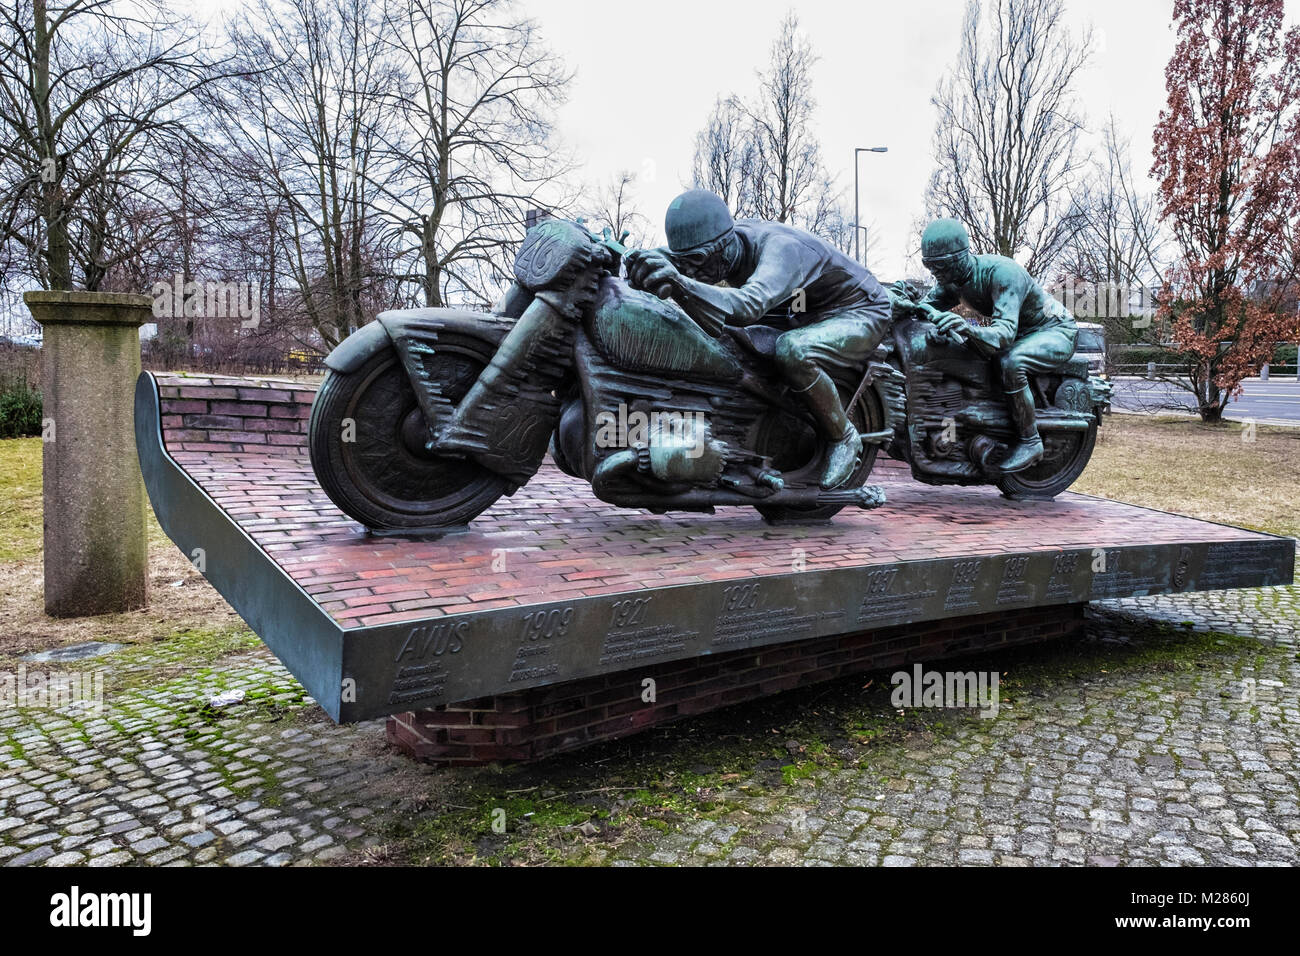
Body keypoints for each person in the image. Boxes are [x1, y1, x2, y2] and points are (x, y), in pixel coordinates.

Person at [625, 189, 892, 490]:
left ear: (724, 247)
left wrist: (679, 281)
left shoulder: (782, 251)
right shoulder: (725, 243)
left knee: (794, 351)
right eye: (686, 262)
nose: (693, 271)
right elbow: (679, 260)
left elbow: (747, 306)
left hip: (859, 311)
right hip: (802, 310)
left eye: (698, 261)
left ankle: (843, 435)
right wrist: (644, 260)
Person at [916, 218, 1078, 473]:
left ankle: (1030, 440)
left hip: (1054, 330)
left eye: (942, 267)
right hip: (1022, 335)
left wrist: (966, 327)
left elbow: (1003, 334)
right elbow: (924, 307)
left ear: (960, 257)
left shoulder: (1003, 273)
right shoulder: (952, 281)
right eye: (932, 268)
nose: (938, 275)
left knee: (1011, 362)